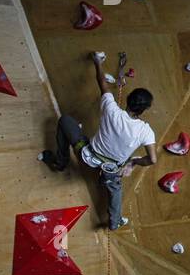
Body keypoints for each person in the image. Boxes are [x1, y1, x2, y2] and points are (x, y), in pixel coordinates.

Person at [41, 52, 156, 230]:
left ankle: (61, 161)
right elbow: (152, 159)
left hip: (86, 155)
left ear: (128, 100)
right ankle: (114, 221)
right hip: (111, 170)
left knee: (65, 121)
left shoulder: (111, 109)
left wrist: (97, 63)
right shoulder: (145, 131)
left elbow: (102, 83)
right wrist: (134, 162)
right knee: (115, 189)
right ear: (144, 110)